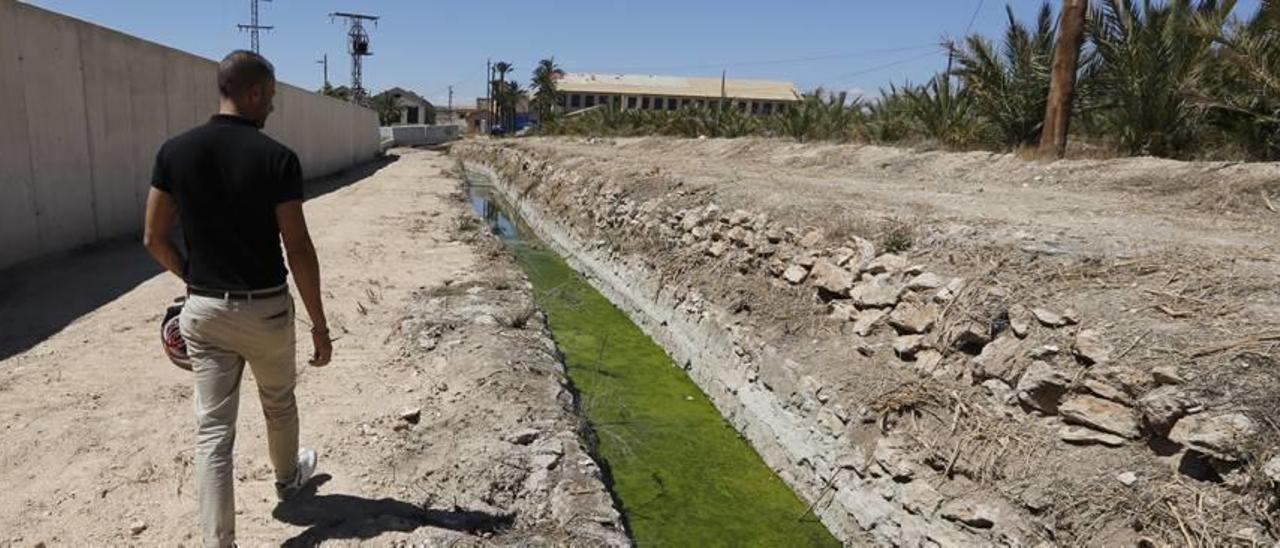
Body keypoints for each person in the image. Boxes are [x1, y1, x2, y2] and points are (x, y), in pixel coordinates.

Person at [142, 49, 333, 547]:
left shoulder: (174, 152)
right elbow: (298, 247)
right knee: (278, 402)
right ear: (251, 93)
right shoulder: (277, 158)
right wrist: (319, 323)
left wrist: (193, 278)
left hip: (204, 312)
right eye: (269, 97)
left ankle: (218, 543)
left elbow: (153, 237)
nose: (271, 107)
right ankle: (289, 479)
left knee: (213, 432)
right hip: (266, 309)